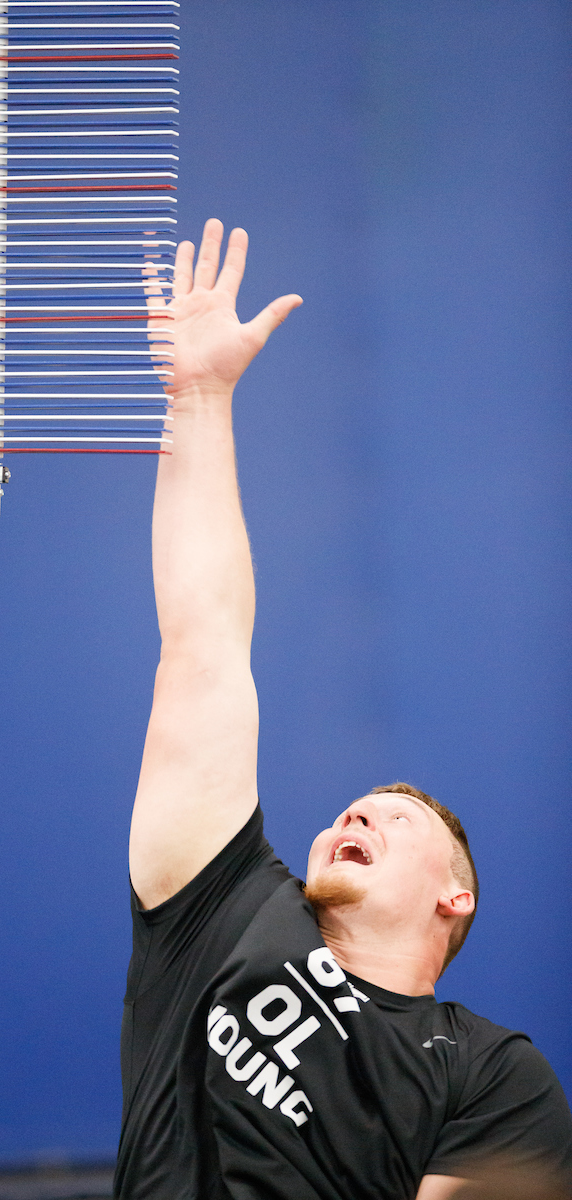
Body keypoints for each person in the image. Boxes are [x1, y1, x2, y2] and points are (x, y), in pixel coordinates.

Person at [113, 220, 572, 1200]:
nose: (353, 814)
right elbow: (202, 644)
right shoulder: (221, 909)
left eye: (394, 820)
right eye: (354, 809)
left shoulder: (490, 1073)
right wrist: (197, 402)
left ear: (458, 899)